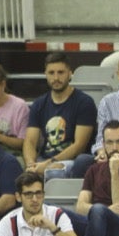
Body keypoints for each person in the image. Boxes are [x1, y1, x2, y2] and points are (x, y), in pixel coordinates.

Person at [25, 51, 98, 179]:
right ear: (45, 74)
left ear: (70, 74)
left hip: (72, 161)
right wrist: (31, 165)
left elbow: (79, 146)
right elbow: (30, 141)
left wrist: (49, 164)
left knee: (53, 172)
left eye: (60, 72)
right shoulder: (39, 104)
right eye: (51, 73)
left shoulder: (84, 102)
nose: (56, 78)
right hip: (44, 159)